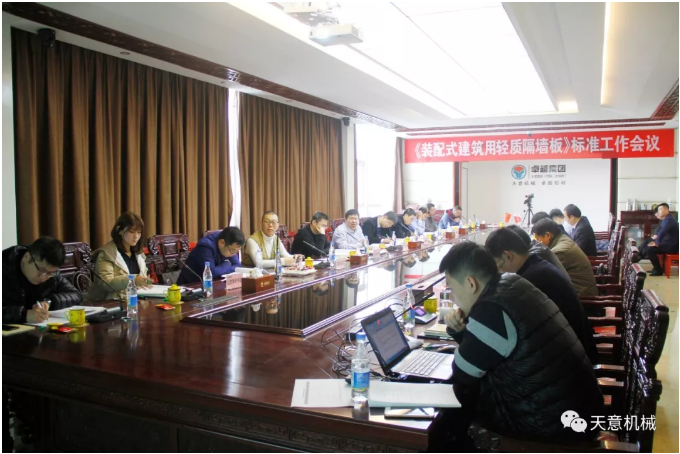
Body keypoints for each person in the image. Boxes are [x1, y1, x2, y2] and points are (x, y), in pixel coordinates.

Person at [439, 242, 604, 440]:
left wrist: (461, 333)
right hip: (575, 408)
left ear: (470, 284)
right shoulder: (512, 282)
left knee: (453, 425)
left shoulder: (490, 310)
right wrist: (462, 332)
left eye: (452, 289)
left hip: (549, 428)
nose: (454, 299)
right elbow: (483, 353)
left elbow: (463, 373)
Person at [485, 228, 598, 364]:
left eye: (498, 267)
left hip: (573, 362)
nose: (500, 273)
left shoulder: (529, 281)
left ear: (508, 256)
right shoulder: (537, 265)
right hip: (578, 350)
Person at [3, 236, 82, 324]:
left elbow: (76, 295)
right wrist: (24, 315)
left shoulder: (52, 274)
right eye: (41, 270)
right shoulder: (4, 267)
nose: (44, 277)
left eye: (50, 273)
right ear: (27, 257)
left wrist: (49, 302)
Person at [89, 212, 152, 301]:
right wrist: (133, 280)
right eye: (132, 232)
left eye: (139, 232)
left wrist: (145, 281)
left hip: (134, 300)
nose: (136, 236)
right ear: (120, 230)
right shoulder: (107, 253)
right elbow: (106, 283)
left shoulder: (138, 253)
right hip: (111, 302)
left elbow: (141, 278)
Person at [532, 219, 598, 297]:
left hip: (582, 297)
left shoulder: (559, 251)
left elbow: (543, 276)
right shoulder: (562, 238)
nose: (536, 242)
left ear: (547, 235)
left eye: (537, 239)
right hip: (579, 290)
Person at [177, 227, 245, 284]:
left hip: (213, 285)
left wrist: (224, 268)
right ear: (222, 243)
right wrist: (226, 265)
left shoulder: (229, 242)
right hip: (190, 287)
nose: (234, 254)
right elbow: (211, 273)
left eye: (237, 251)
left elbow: (237, 266)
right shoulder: (206, 246)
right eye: (233, 250)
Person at [646, 203, 679, 276]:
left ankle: (658, 270)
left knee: (650, 250)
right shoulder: (667, 218)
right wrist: (656, 242)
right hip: (668, 243)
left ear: (667, 210)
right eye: (658, 210)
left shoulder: (669, 220)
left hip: (672, 246)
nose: (659, 212)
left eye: (660, 209)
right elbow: (659, 231)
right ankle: (656, 268)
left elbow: (662, 232)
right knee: (649, 245)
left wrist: (657, 243)